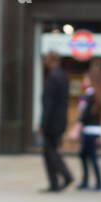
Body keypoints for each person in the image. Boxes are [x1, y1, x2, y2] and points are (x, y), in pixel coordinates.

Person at [37, 50, 73, 192]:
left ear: (51, 61)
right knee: (51, 151)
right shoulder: (63, 76)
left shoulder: (53, 77)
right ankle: (57, 181)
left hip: (52, 122)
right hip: (60, 120)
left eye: (46, 60)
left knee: (49, 152)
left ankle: (62, 177)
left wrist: (43, 124)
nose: (45, 62)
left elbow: (49, 103)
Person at [73, 61, 101, 191]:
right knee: (85, 155)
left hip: (88, 130)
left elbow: (84, 115)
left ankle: (96, 183)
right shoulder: (98, 94)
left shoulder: (90, 95)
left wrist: (76, 129)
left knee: (91, 157)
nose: (84, 80)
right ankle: (87, 181)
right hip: (95, 129)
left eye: (86, 77)